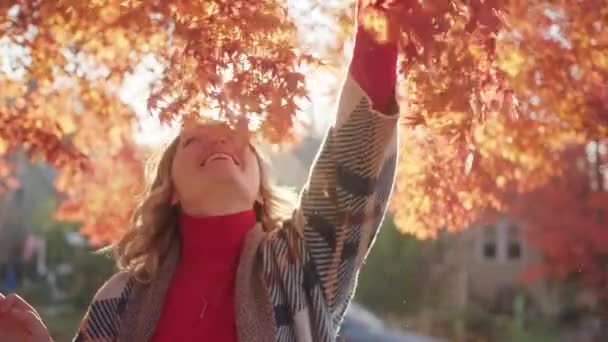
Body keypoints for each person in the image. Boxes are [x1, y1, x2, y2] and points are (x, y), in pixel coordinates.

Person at [0, 1, 400, 341]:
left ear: (261, 186)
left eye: (232, 135)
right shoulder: (119, 300)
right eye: (194, 139)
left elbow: (358, 154)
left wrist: (380, 18)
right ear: (170, 187)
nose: (219, 142)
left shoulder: (303, 262)